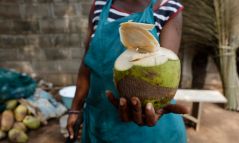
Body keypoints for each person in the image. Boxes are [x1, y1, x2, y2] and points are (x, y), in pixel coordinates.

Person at [67, 0, 188, 142]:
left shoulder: (168, 9)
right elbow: (87, 65)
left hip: (152, 134)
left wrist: (153, 110)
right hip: (100, 122)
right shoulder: (99, 5)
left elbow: (164, 76)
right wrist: (75, 109)